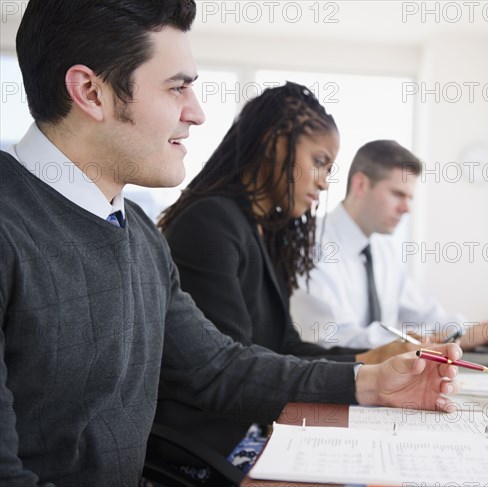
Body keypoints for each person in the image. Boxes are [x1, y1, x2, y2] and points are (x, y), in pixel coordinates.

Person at [0, 3, 461, 486]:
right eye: (177, 87)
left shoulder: (135, 231)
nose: (197, 113)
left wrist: (371, 384)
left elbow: (216, 367)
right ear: (91, 92)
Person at [156, 82, 416, 461]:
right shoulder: (210, 224)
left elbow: (285, 347)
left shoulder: (265, 232)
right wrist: (365, 377)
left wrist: (376, 357)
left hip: (254, 432)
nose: (326, 182)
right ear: (276, 142)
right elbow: (230, 372)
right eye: (320, 161)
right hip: (208, 450)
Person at [290, 140, 488, 350]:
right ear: (361, 185)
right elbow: (332, 339)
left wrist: (475, 331)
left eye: (410, 198)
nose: (406, 208)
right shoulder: (312, 243)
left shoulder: (382, 249)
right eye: (398, 194)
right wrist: (453, 338)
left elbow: (424, 315)